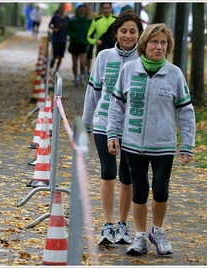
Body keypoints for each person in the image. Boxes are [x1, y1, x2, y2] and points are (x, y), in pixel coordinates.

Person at [106, 23, 196, 256]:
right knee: (139, 190)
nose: (159, 46)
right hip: (132, 143)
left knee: (160, 189)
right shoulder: (128, 70)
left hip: (163, 144)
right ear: (144, 44)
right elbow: (116, 106)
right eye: (154, 42)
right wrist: (112, 134)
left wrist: (187, 145)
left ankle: (157, 231)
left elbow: (186, 111)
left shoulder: (174, 73)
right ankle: (139, 237)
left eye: (164, 43)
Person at [82, 10, 144, 246]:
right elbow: (93, 92)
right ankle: (107, 225)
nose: (128, 36)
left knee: (126, 176)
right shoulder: (104, 56)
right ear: (116, 33)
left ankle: (122, 225)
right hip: (103, 121)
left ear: (139, 34)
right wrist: (86, 125)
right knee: (107, 172)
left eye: (133, 31)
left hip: (131, 126)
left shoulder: (143, 57)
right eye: (124, 31)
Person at [66, 4, 92, 87]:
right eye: (80, 10)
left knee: (82, 62)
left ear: (85, 11)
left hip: (84, 43)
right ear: (78, 11)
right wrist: (72, 35)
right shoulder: (72, 20)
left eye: (83, 10)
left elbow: (93, 31)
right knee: (74, 63)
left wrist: (90, 38)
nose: (81, 12)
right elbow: (67, 30)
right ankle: (76, 77)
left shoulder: (89, 20)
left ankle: (82, 75)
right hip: (74, 43)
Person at [49, 3, 70, 73]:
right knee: (56, 55)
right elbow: (50, 25)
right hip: (55, 38)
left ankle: (57, 69)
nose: (61, 10)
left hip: (63, 39)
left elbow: (70, 28)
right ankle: (53, 60)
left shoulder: (67, 18)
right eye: (60, 8)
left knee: (61, 56)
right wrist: (54, 29)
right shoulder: (55, 17)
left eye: (63, 8)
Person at [84, 2, 99, 77]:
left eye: (88, 5)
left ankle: (88, 70)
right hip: (83, 38)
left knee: (89, 55)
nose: (86, 7)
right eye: (85, 5)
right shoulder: (81, 14)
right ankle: (83, 70)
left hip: (91, 37)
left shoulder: (94, 15)